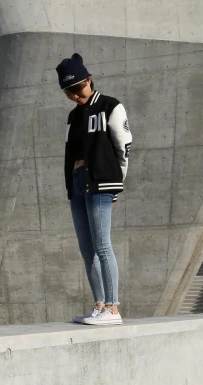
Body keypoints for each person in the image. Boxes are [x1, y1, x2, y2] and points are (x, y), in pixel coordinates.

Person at [56, 54, 132, 326]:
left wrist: (116, 184)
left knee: (102, 245)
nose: (75, 95)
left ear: (89, 80)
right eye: (68, 91)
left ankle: (112, 309)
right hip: (77, 183)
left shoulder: (110, 106)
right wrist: (70, 185)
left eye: (78, 88)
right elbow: (69, 153)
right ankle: (99, 305)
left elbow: (123, 146)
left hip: (101, 182)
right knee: (86, 249)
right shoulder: (73, 116)